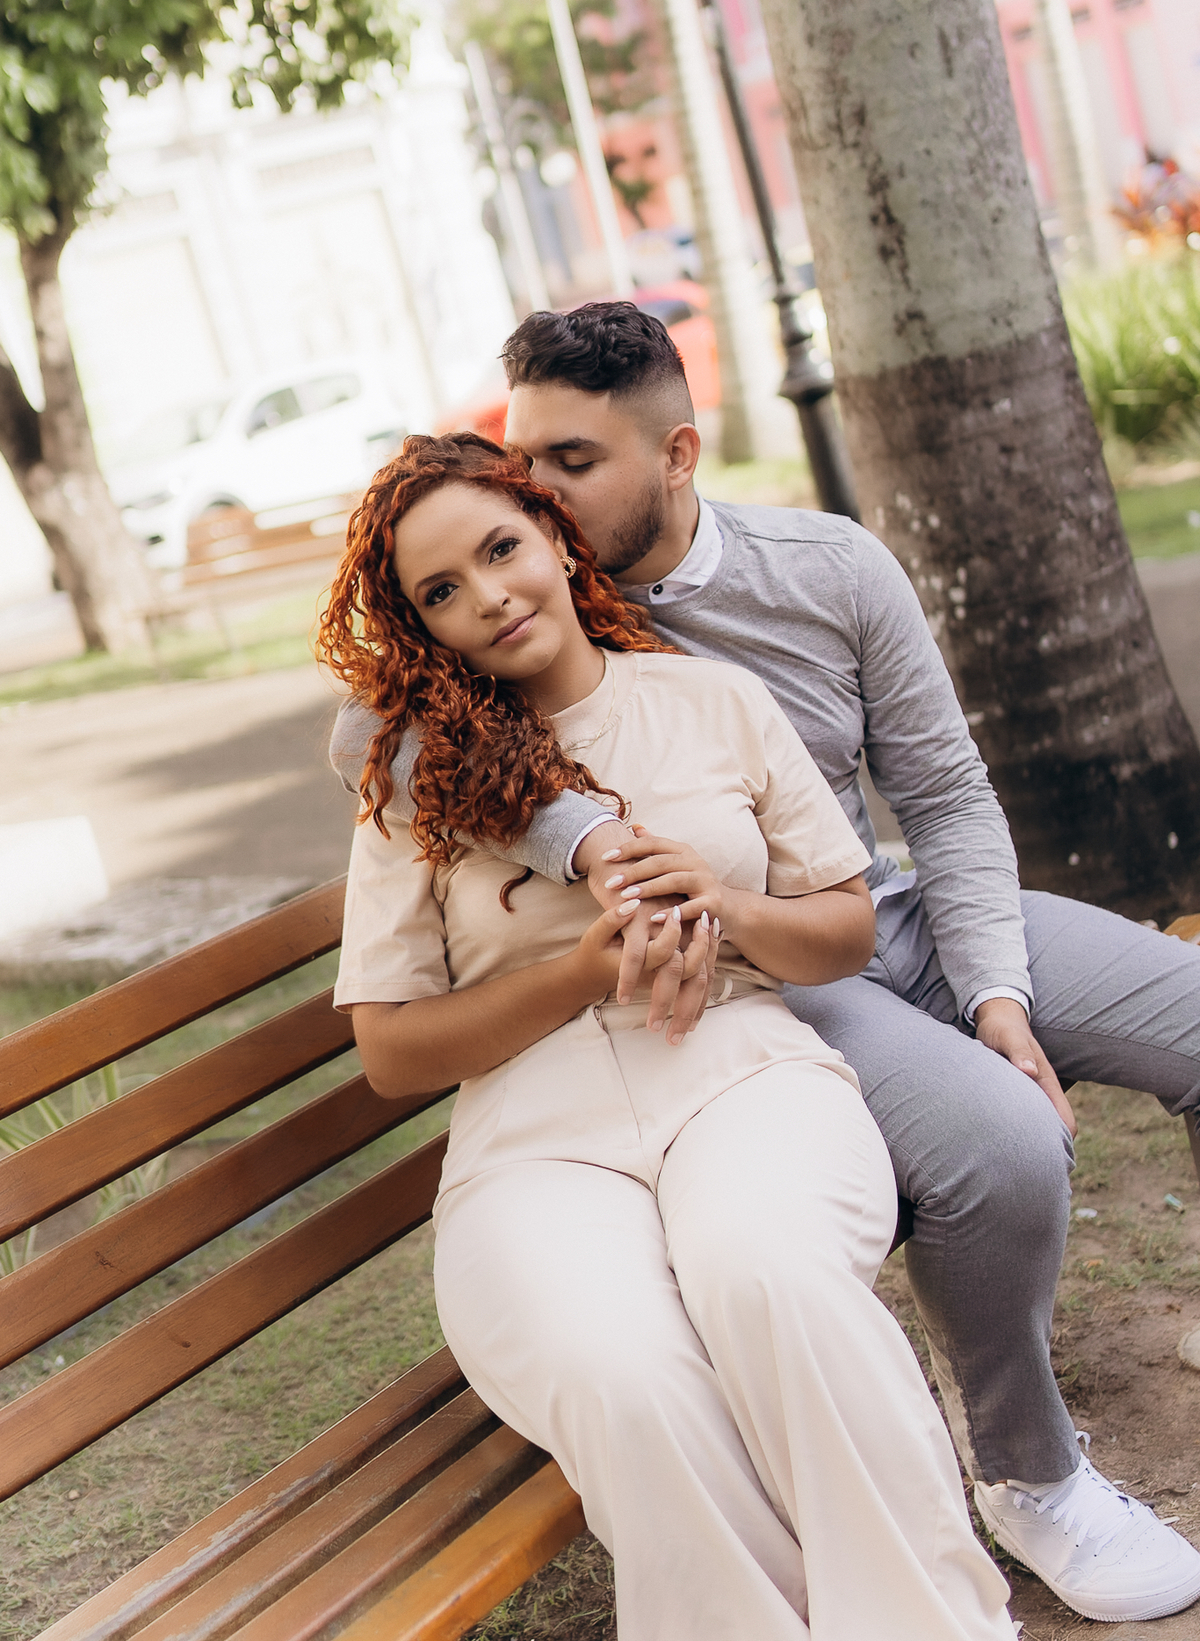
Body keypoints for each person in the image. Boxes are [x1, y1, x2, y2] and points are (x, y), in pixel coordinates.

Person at [330, 305, 1200, 1627]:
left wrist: (995, 992)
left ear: (676, 453)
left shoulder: (816, 576)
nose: (530, 497)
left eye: (565, 469)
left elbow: (944, 797)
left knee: (1178, 1026)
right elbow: (384, 743)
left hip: (845, 924)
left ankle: (994, 1501)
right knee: (987, 1153)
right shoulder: (463, 676)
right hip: (712, 1010)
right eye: (523, 463)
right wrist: (574, 843)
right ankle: (989, 1497)